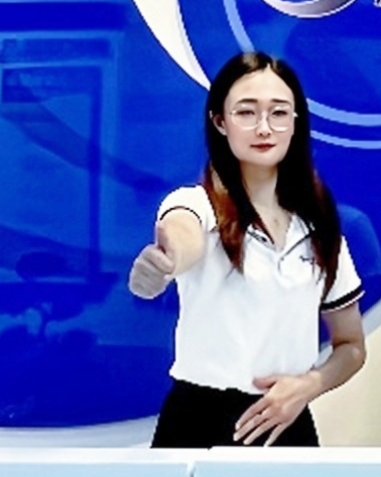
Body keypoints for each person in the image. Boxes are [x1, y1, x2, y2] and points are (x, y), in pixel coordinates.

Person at [130, 51, 365, 447]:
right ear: (220, 121)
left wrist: (309, 385)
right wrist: (165, 264)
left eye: (279, 112)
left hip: (285, 421)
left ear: (295, 122)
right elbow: (182, 235)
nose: (264, 127)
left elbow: (352, 346)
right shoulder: (197, 204)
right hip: (198, 420)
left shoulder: (320, 226)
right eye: (246, 112)